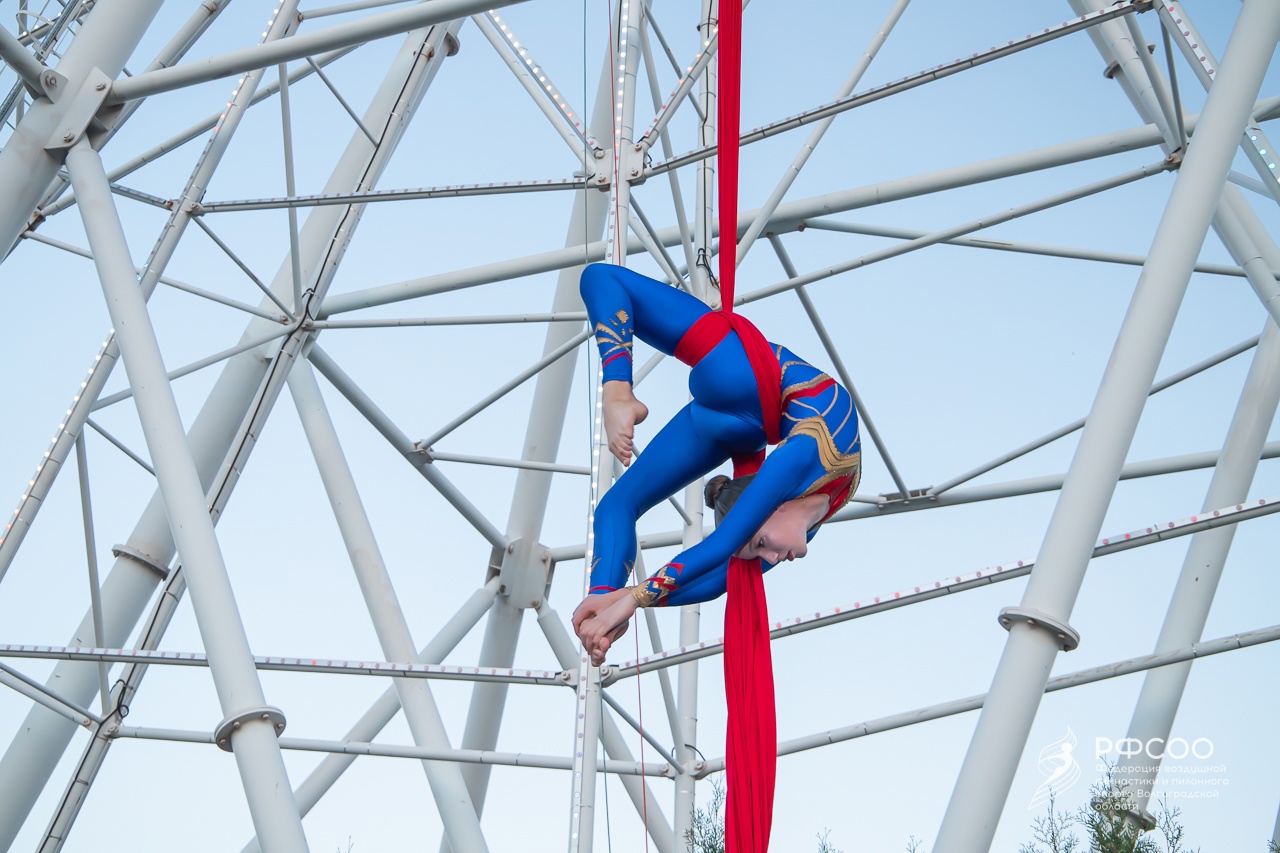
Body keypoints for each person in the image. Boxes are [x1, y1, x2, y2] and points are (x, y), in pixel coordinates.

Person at [571, 263, 861, 665]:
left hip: (742, 380)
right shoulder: (804, 511)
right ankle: (599, 589)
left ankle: (617, 390)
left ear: (770, 505)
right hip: (749, 401)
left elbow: (719, 560)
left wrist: (626, 601)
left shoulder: (798, 464)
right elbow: (721, 565)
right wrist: (621, 600)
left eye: (761, 545)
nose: (772, 559)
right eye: (762, 549)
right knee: (618, 505)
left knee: (604, 279)